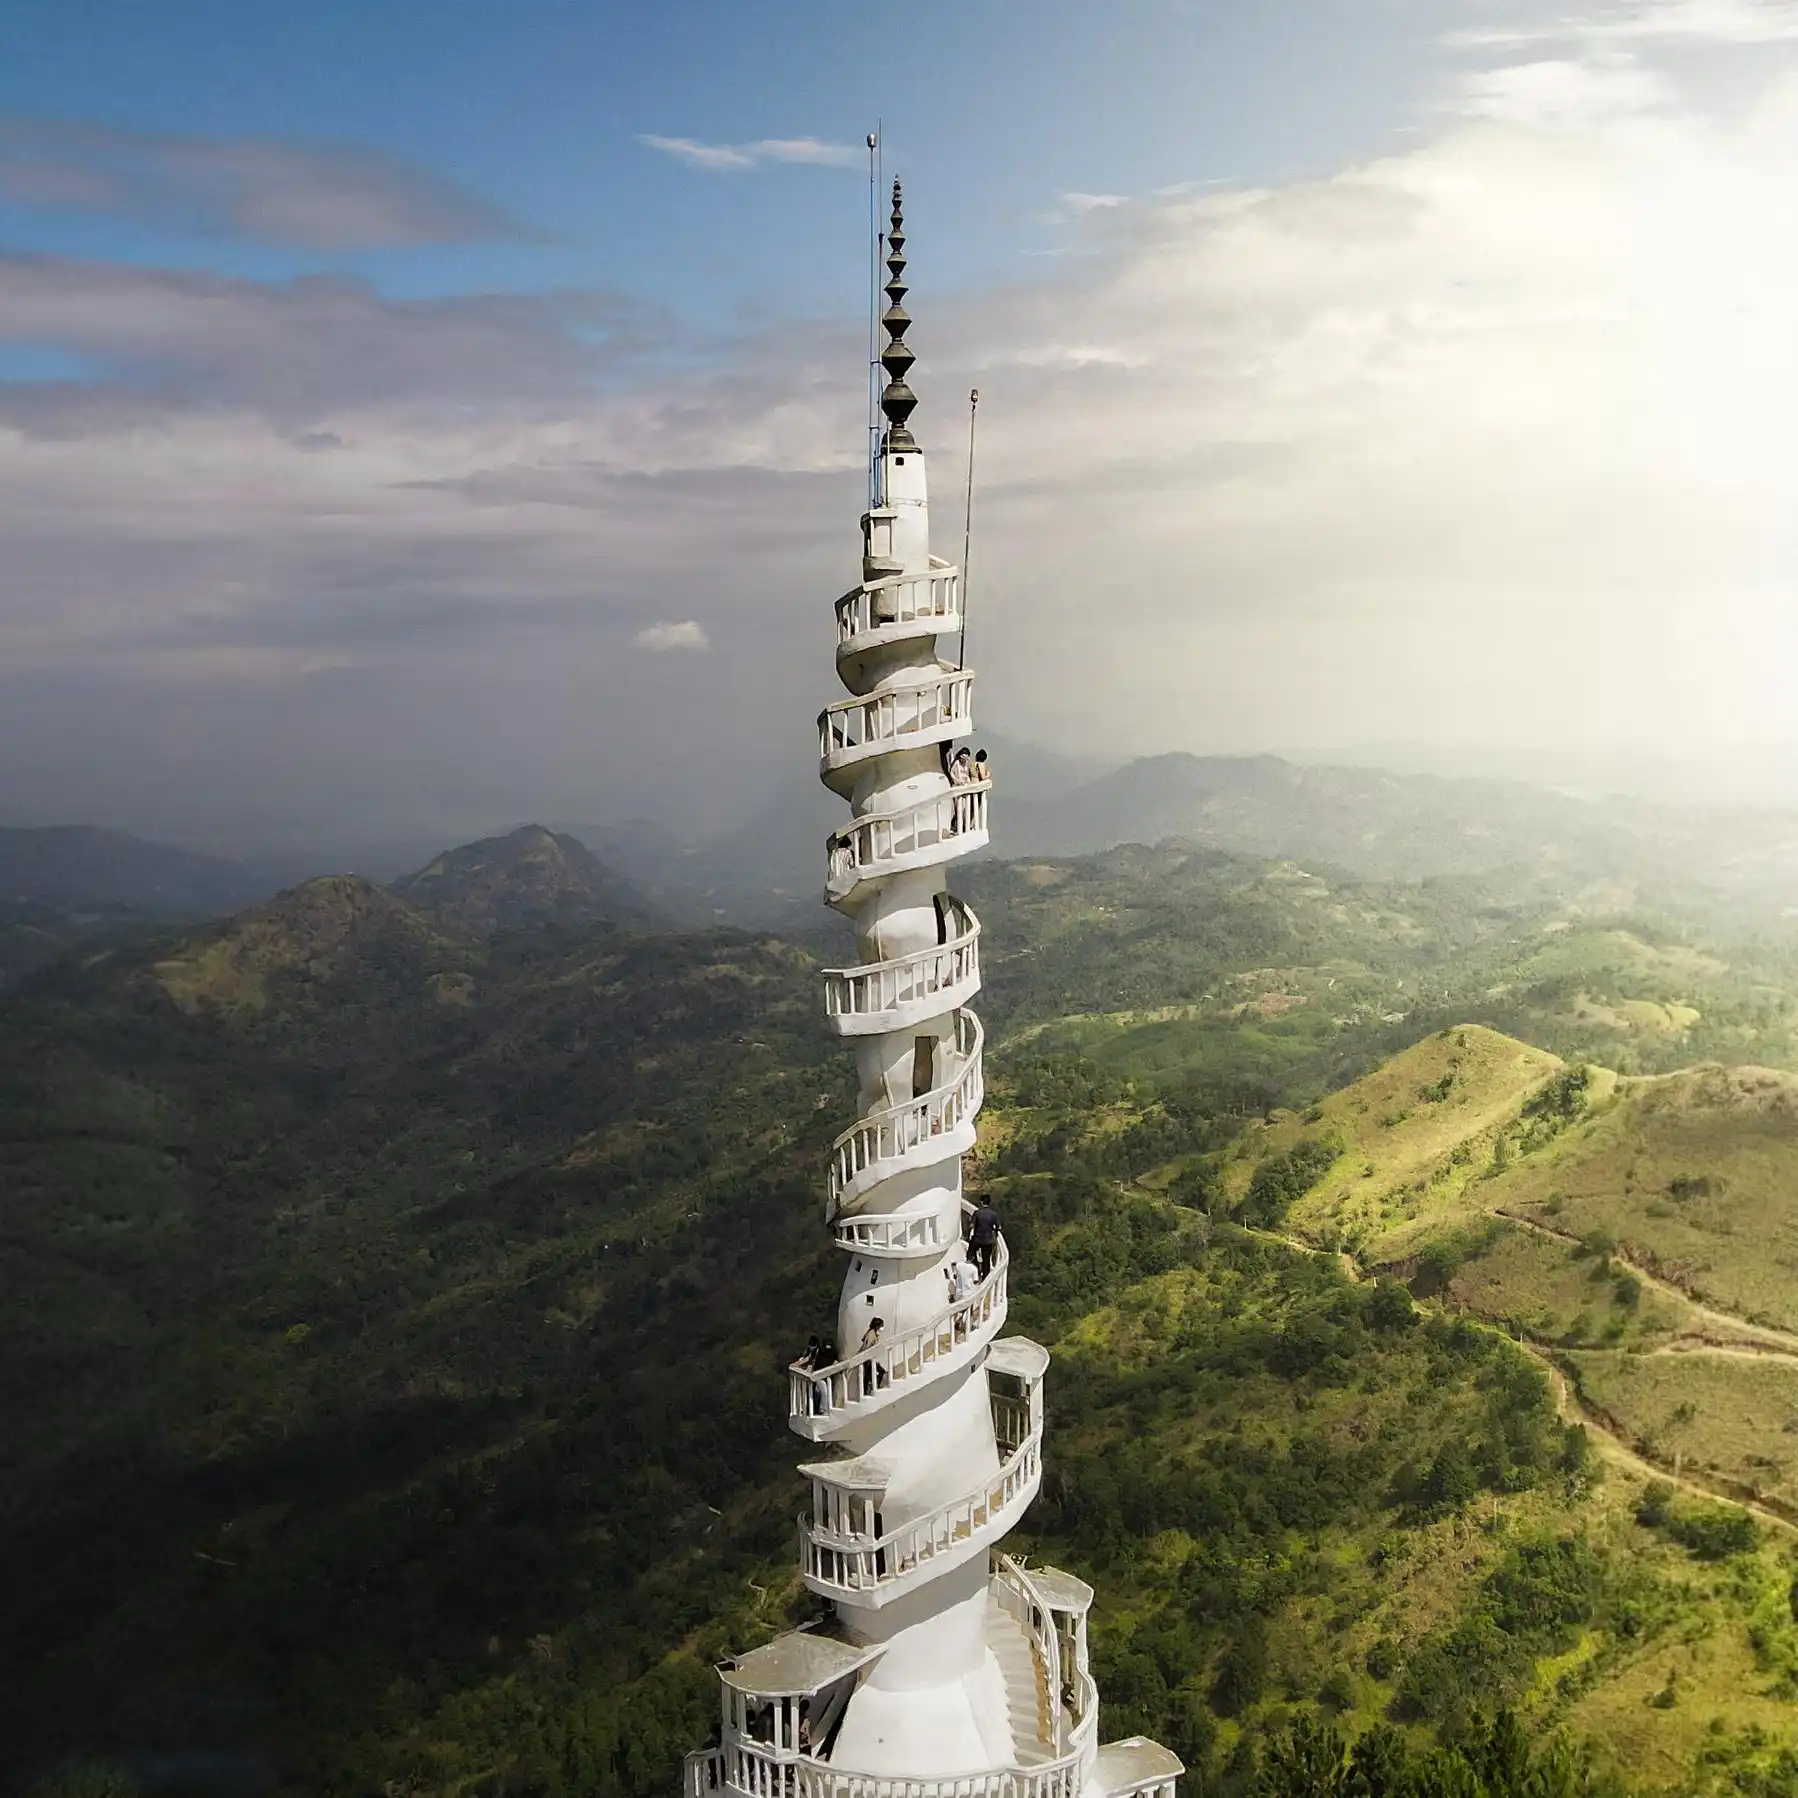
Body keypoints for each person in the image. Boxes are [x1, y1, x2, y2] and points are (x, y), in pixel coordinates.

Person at [968, 1200, 1002, 1282]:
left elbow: (971, 1225)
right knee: (986, 1259)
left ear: (982, 1202)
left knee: (970, 1253)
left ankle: (976, 1269)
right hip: (988, 1240)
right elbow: (999, 1227)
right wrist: (995, 1231)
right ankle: (985, 1277)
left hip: (977, 1239)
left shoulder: (977, 1213)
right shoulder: (994, 1214)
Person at [859, 1316, 886, 1397]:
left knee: (869, 1375)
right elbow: (867, 1347)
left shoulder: (873, 1333)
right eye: (881, 1326)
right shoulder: (871, 1333)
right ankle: (870, 1390)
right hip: (868, 1359)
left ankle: (869, 1390)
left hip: (870, 1359)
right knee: (871, 1375)